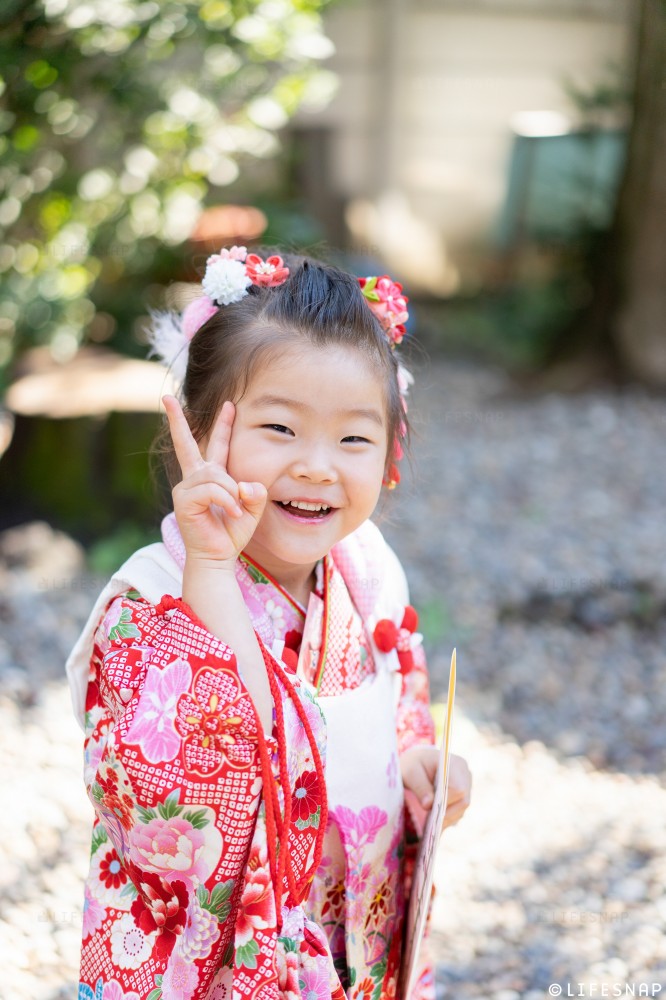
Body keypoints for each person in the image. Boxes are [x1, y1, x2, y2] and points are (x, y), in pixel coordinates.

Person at [66, 247, 472, 1000]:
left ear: (391, 449)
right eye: (280, 429)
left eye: (354, 439)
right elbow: (187, 793)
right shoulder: (150, 605)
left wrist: (416, 764)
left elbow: (400, 697)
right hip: (233, 962)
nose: (319, 466)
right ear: (197, 429)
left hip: (356, 928)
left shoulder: (369, 570)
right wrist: (213, 570)